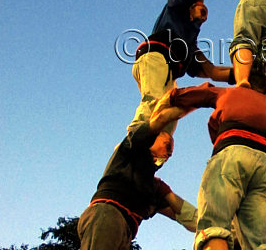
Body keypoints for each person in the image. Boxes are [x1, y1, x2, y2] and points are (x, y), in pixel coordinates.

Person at [154, 72, 266, 250]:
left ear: (246, 84)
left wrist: (173, 97)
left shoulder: (233, 94)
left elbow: (203, 93)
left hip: (232, 153)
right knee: (264, 239)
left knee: (214, 222)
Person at [130, 0, 235, 136]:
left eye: (206, 15)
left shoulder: (189, 45)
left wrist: (244, 75)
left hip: (168, 70)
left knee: (169, 114)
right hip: (155, 57)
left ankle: (157, 151)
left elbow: (213, 72)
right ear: (191, 7)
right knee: (153, 102)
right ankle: (136, 137)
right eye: (202, 10)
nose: (204, 16)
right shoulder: (175, 8)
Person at [77, 101, 197, 250]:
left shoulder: (151, 187)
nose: (170, 152)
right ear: (153, 138)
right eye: (167, 144)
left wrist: (213, 227)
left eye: (171, 152)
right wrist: (191, 102)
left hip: (125, 231)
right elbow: (158, 121)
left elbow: (182, 215)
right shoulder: (131, 149)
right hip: (108, 215)